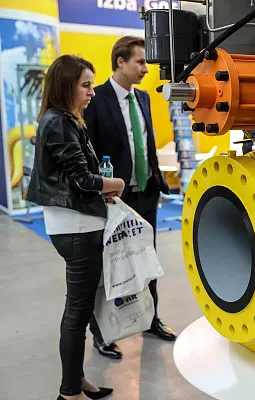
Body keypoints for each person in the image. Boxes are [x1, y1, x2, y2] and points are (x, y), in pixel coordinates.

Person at [26, 55, 125, 400]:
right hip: (77, 228)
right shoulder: (59, 122)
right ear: (66, 86)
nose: (92, 92)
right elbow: (83, 179)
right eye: (85, 85)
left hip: (76, 223)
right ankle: (69, 392)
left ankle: (77, 379)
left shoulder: (62, 119)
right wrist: (115, 184)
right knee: (77, 313)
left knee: (80, 312)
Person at [83, 36, 176, 360]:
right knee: (108, 266)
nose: (145, 69)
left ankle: (150, 319)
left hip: (145, 194)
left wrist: (156, 181)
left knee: (147, 260)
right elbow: (90, 152)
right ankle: (102, 332)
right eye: (140, 62)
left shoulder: (144, 98)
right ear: (120, 62)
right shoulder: (96, 100)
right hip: (113, 201)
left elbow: (146, 144)